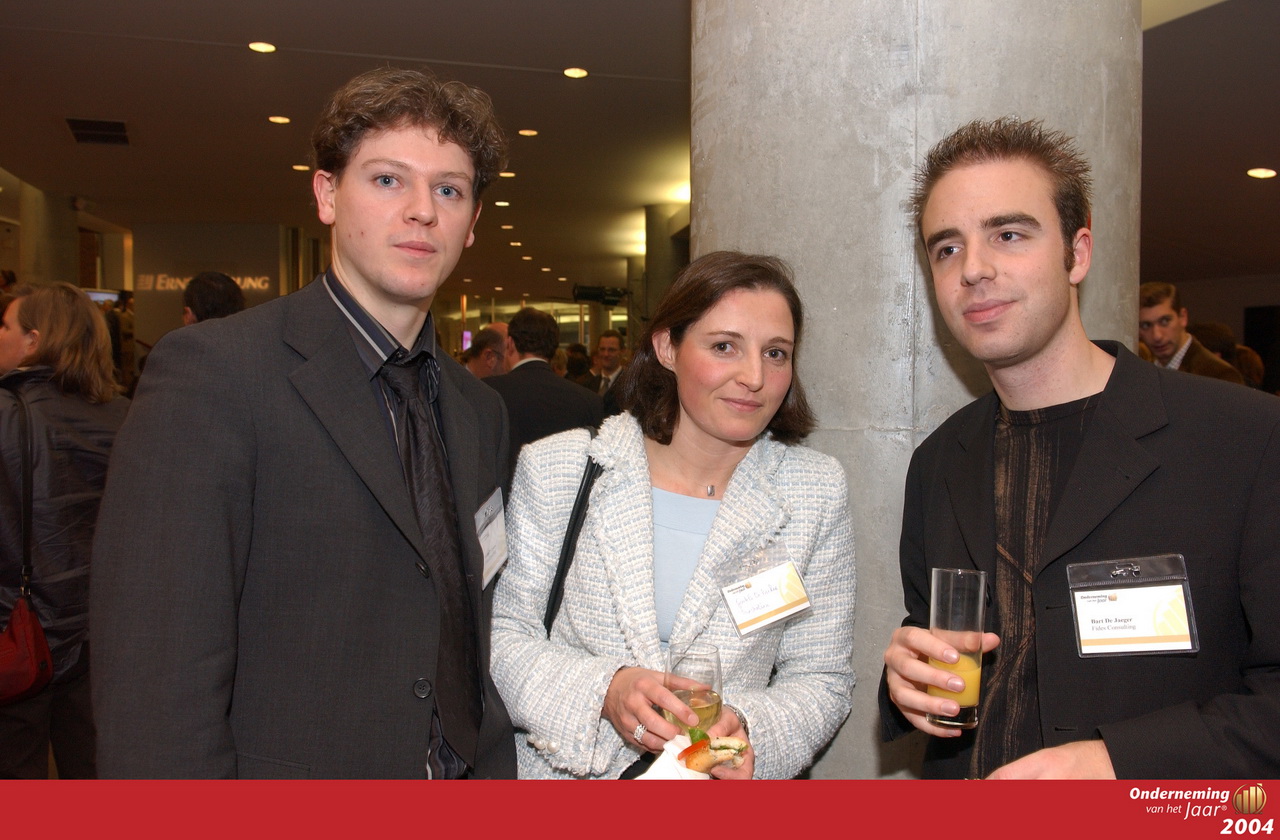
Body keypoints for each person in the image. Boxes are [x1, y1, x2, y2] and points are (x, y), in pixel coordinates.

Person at [90, 67, 516, 778]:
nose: (422, 210)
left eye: (449, 189)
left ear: (472, 223)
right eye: (388, 180)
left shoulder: (481, 410)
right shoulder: (215, 376)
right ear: (326, 194)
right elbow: (156, 680)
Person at [880, 117, 1280, 779]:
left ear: (1079, 252)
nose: (973, 269)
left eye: (1008, 235)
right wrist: (906, 682)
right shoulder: (939, 463)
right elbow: (943, 643)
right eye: (947, 248)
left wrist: (1115, 763)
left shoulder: (1246, 438)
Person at [491, 250, 856, 779]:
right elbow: (503, 637)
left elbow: (821, 676)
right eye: (725, 346)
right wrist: (606, 689)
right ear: (667, 348)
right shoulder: (560, 469)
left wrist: (744, 731)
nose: (754, 376)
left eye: (776, 353)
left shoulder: (812, 492)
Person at [0, 284, 128, 778]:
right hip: (103, 632)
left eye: (6, 326)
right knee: (94, 771)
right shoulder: (126, 415)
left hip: (16, 630)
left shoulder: (7, 414)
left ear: (34, 340)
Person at [484, 306, 603, 477]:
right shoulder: (588, 401)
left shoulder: (488, 392)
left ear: (510, 343)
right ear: (554, 348)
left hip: (504, 492)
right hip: (566, 492)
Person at [1138, 282, 1243, 384]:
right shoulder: (1142, 373)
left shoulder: (1219, 374)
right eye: (1146, 325)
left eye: (1165, 321)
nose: (1157, 336)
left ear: (1183, 317)